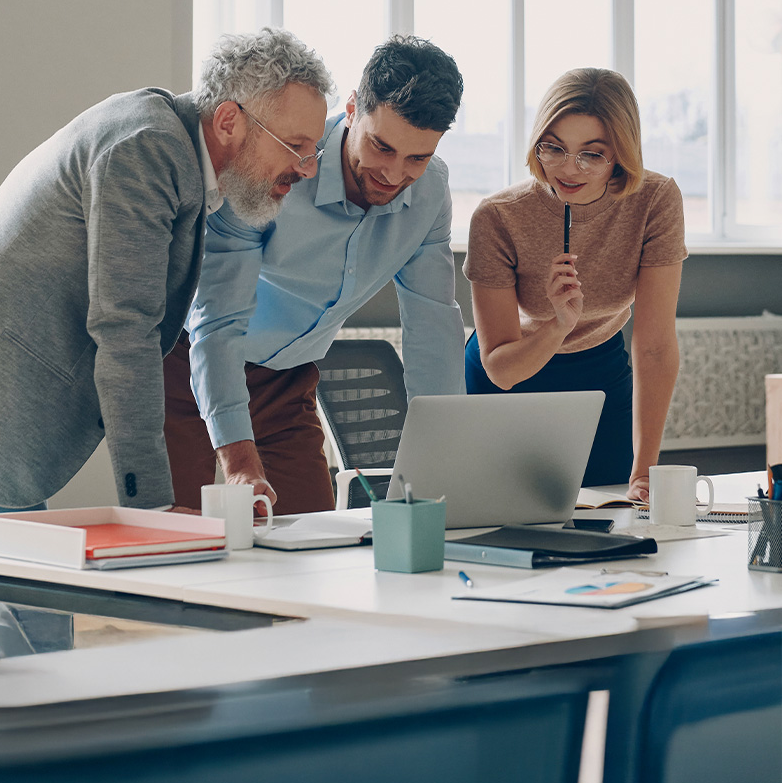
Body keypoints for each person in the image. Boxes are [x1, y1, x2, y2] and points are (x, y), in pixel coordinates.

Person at [0, 28, 332, 541]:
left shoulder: (166, 137)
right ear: (227, 120)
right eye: (296, 147)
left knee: (7, 607)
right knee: (23, 606)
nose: (306, 169)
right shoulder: (147, 151)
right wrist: (152, 508)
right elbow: (127, 332)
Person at [164, 35, 467, 515]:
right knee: (181, 548)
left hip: (286, 385)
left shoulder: (430, 194)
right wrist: (239, 459)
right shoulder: (270, 167)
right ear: (351, 109)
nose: (393, 173)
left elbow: (433, 325)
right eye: (381, 146)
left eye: (417, 158)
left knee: (312, 553)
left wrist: (443, 458)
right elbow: (217, 321)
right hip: (189, 371)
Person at [463, 67, 687, 502]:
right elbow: (501, 370)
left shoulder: (655, 200)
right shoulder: (497, 217)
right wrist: (557, 325)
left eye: (592, 154)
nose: (569, 168)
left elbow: (655, 345)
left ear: (621, 153)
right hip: (514, 367)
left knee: (615, 515)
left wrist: (645, 472)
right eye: (554, 148)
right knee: (509, 514)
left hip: (600, 368)